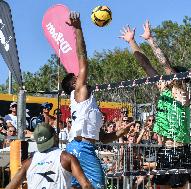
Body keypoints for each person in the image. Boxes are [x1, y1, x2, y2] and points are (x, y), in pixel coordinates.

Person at [61, 12, 134, 189]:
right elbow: (82, 57)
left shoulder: (85, 104)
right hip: (81, 149)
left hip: (78, 148)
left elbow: (101, 137)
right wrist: (78, 29)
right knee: (98, 186)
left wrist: (121, 133)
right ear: (74, 84)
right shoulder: (80, 91)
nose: (80, 75)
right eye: (76, 77)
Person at [120, 20, 191, 189]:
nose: (169, 75)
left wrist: (150, 39)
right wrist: (132, 42)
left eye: (173, 74)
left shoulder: (181, 91)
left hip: (181, 149)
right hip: (166, 149)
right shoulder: (164, 88)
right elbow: (146, 65)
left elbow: (165, 65)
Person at [5, 123, 93, 189]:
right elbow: (86, 185)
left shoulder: (28, 163)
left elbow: (10, 187)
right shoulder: (66, 158)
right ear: (55, 136)